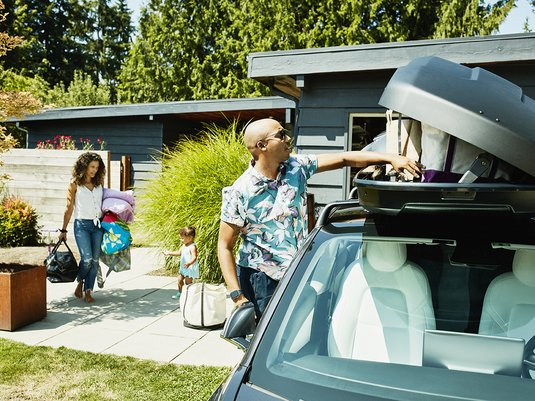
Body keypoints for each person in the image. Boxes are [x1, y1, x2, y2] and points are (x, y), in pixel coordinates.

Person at [217, 118, 422, 319]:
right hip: (262, 279)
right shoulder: (239, 192)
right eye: (281, 134)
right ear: (262, 145)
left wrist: (391, 158)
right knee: (269, 342)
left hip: (295, 271)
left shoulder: (296, 167)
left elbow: (344, 158)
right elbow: (225, 246)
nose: (289, 138)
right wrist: (237, 296)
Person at [59, 152, 105, 304]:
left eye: (97, 167)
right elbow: (69, 208)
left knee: (95, 260)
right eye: (91, 166)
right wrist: (63, 230)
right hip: (82, 226)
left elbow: (103, 204)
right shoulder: (74, 184)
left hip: (97, 225)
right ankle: (80, 281)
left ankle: (88, 290)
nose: (94, 170)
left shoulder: (99, 183)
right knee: (87, 259)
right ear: (84, 166)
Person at [163, 226, 200, 299]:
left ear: (190, 238)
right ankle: (180, 292)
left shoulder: (193, 247)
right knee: (179, 279)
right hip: (184, 267)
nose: (181, 240)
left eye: (182, 238)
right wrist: (169, 253)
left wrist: (189, 263)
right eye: (180, 238)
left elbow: (194, 257)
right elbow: (179, 252)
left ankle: (191, 294)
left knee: (188, 282)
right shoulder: (184, 245)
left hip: (190, 268)